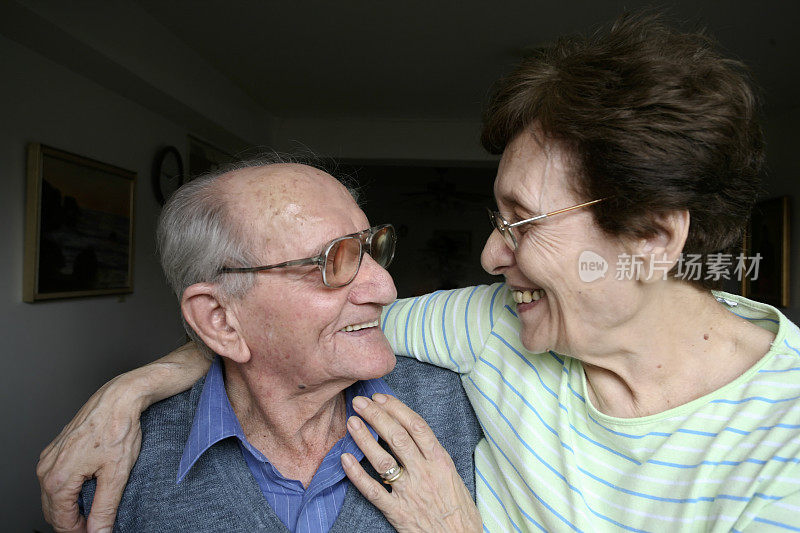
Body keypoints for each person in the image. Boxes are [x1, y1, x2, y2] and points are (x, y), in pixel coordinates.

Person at [39, 13, 800, 532]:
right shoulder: (492, 325)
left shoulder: (784, 440)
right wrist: (128, 391)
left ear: (653, 237)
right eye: (338, 259)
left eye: (521, 221)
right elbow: (312, 333)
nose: (490, 256)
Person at [47, 160, 483, 533]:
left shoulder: (467, 404)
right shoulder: (115, 469)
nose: (386, 288)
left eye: (371, 249)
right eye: (334, 259)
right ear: (220, 319)